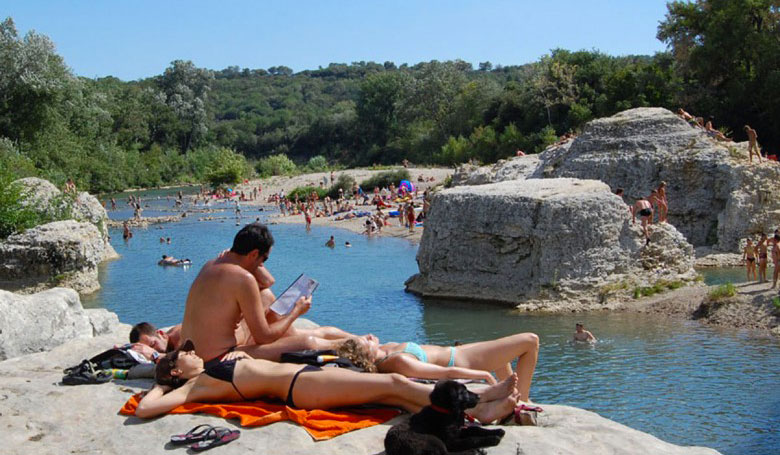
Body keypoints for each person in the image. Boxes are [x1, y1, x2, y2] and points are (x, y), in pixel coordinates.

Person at [134, 340, 520, 424]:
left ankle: (473, 411)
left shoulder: (211, 369)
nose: (189, 350)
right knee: (396, 384)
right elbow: (147, 408)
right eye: (183, 352)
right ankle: (476, 399)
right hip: (301, 389)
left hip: (307, 379)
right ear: (174, 370)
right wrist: (163, 387)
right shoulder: (193, 386)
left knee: (397, 391)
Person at [179, 223, 354, 365]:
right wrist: (296, 312)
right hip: (216, 358)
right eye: (264, 259)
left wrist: (239, 256)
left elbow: (268, 282)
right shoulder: (243, 278)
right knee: (307, 343)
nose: (263, 264)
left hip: (191, 352)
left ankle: (295, 336)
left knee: (266, 295)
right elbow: (263, 337)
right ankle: (359, 346)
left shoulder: (211, 264)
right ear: (254, 253)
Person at [336, 333, 539, 403]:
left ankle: (513, 398)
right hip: (460, 361)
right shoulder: (398, 362)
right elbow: (446, 374)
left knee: (502, 354)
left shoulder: (385, 350)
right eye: (366, 341)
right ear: (368, 355)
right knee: (531, 341)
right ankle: (521, 401)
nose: (369, 336)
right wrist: (484, 374)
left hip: (456, 352)